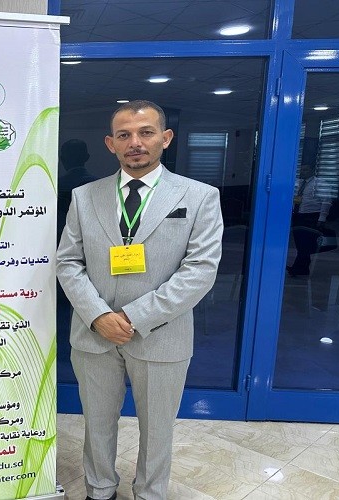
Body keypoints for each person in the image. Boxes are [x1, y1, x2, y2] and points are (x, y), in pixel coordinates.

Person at [56, 100, 222, 500]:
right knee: (97, 423)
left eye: (146, 132)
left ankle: (150, 492)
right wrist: (98, 316)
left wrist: (133, 317)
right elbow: (68, 262)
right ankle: (100, 489)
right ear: (110, 143)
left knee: (158, 427)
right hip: (94, 334)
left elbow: (200, 270)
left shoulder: (200, 196)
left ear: (165, 138)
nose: (135, 142)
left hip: (161, 334)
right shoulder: (84, 196)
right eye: (124, 135)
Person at [287, 163, 332, 277]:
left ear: (312, 170)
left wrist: (322, 218)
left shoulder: (320, 184)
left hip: (311, 216)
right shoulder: (298, 183)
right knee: (300, 242)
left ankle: (298, 268)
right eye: (301, 170)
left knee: (305, 242)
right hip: (298, 215)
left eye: (306, 170)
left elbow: (326, 202)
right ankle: (303, 268)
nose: (303, 172)